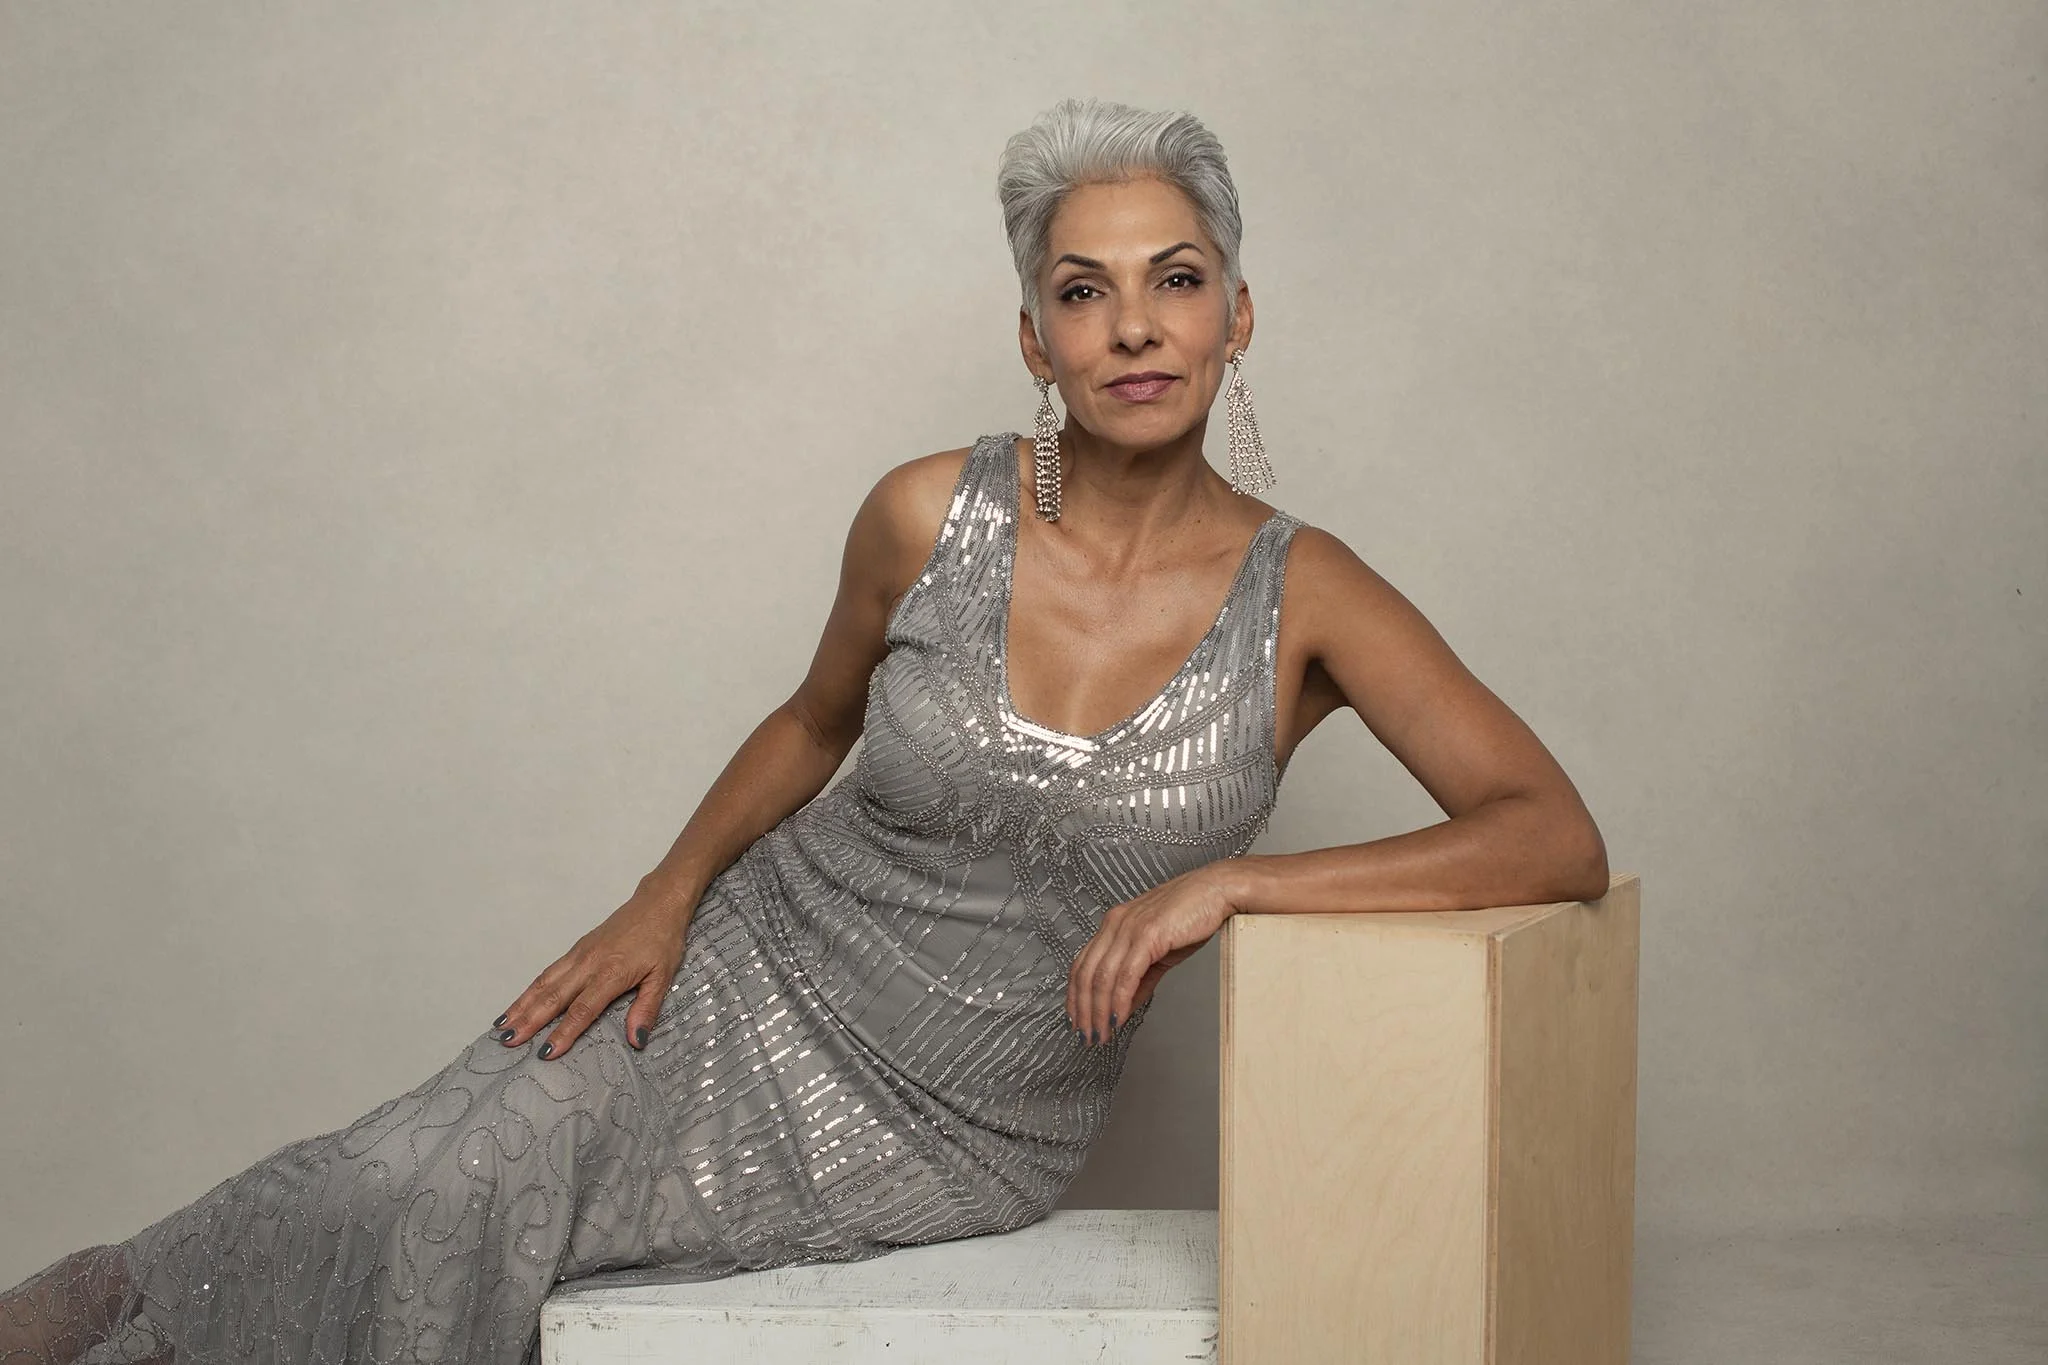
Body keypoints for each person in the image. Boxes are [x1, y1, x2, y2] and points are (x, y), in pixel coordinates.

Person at [0, 95, 1608, 1365]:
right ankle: (84, 1317)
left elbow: (1549, 827)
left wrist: (1237, 885)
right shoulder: (926, 511)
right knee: (404, 1184)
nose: (1133, 326)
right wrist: (664, 895)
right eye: (1083, 291)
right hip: (743, 978)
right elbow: (812, 719)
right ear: (1033, 339)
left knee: (483, 1214)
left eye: (1175, 282)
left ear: (1236, 319)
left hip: (971, 1121)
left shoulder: (1309, 593)